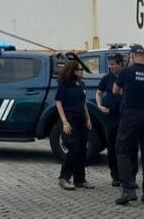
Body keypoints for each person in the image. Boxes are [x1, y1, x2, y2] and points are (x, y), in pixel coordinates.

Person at [113, 44, 144, 206]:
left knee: (122, 149)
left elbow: (115, 91)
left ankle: (128, 190)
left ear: (132, 56)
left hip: (131, 114)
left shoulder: (127, 72)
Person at [55, 59, 92, 190]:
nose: (82, 72)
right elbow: (58, 102)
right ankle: (64, 177)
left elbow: (84, 103)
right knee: (74, 149)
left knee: (82, 149)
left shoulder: (81, 84)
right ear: (74, 71)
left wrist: (88, 119)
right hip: (69, 118)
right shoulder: (64, 85)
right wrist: (64, 122)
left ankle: (80, 179)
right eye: (80, 69)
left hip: (81, 118)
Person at [97, 53, 130, 187]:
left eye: (113, 64)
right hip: (110, 117)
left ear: (120, 64)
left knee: (125, 147)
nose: (110, 67)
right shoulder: (107, 78)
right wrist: (99, 106)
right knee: (112, 146)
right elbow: (99, 92)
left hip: (124, 116)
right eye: (109, 64)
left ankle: (127, 176)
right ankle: (115, 175)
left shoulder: (127, 76)